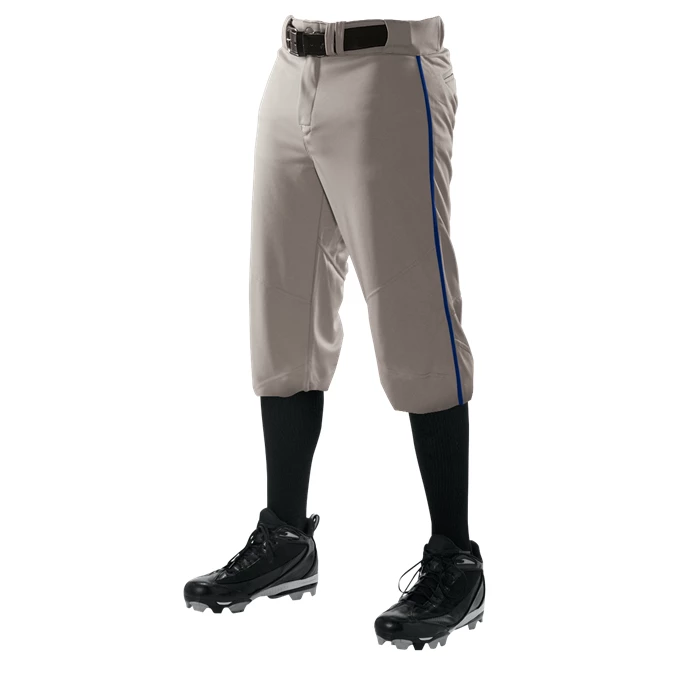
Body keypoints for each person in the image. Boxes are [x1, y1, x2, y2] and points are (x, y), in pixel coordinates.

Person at [184, 15, 484, 651]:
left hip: (390, 64)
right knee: (282, 309)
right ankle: (286, 538)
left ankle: (456, 561)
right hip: (292, 65)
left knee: (412, 310)